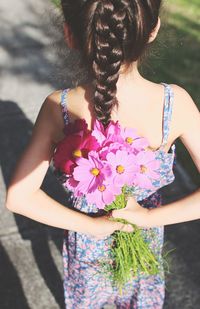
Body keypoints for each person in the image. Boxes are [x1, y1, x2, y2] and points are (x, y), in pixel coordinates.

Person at [5, 0, 200, 308]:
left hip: (86, 253)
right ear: (153, 30)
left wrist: (94, 227)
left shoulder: (60, 107)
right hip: (145, 245)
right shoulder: (174, 104)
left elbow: (19, 197)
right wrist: (147, 217)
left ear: (70, 34)